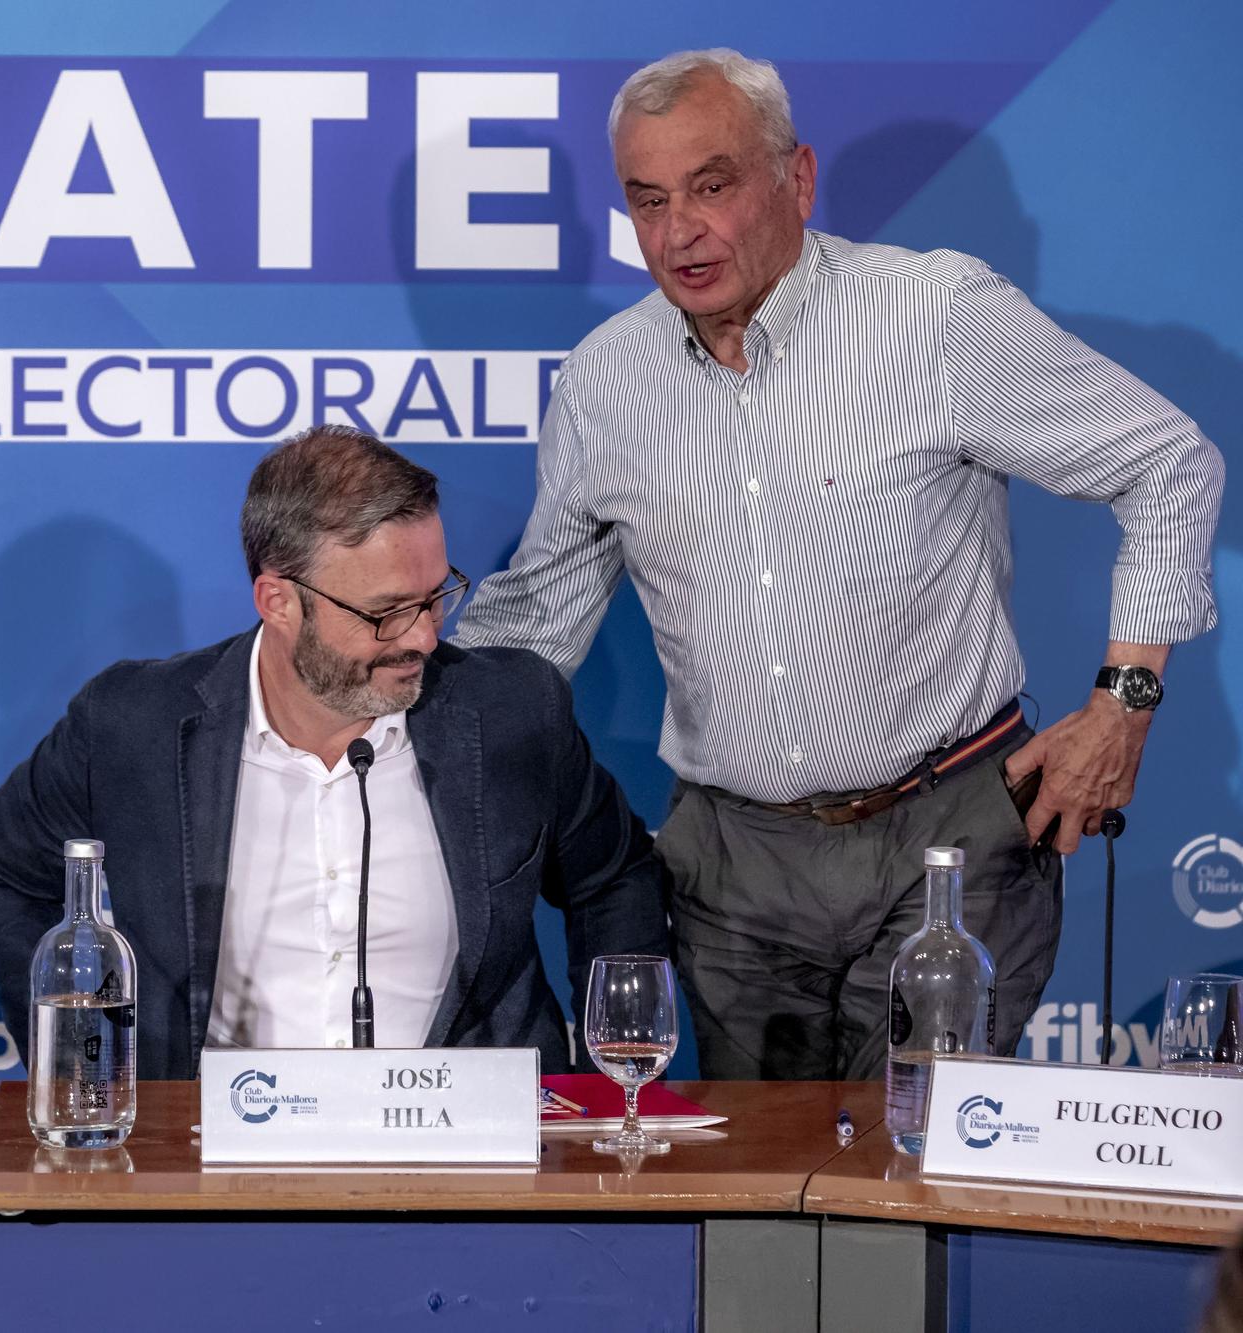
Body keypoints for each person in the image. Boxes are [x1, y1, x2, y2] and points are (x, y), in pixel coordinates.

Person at [456, 49, 1222, 1080]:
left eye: (711, 186)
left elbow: (1165, 461)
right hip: (732, 875)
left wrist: (1122, 703)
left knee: (907, 1182)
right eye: (647, 201)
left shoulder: (931, 315)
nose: (678, 231)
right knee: (761, 1212)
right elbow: (533, 626)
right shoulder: (605, 384)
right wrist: (359, 688)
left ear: (796, 178)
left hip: (948, 845)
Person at [0, 424, 669, 1078]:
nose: (422, 636)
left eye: (436, 596)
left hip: (471, 1159)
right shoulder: (133, 724)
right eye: (386, 613)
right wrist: (82, 1052)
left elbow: (614, 875)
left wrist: (613, 1067)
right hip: (215, 1164)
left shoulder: (513, 711)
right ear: (279, 601)